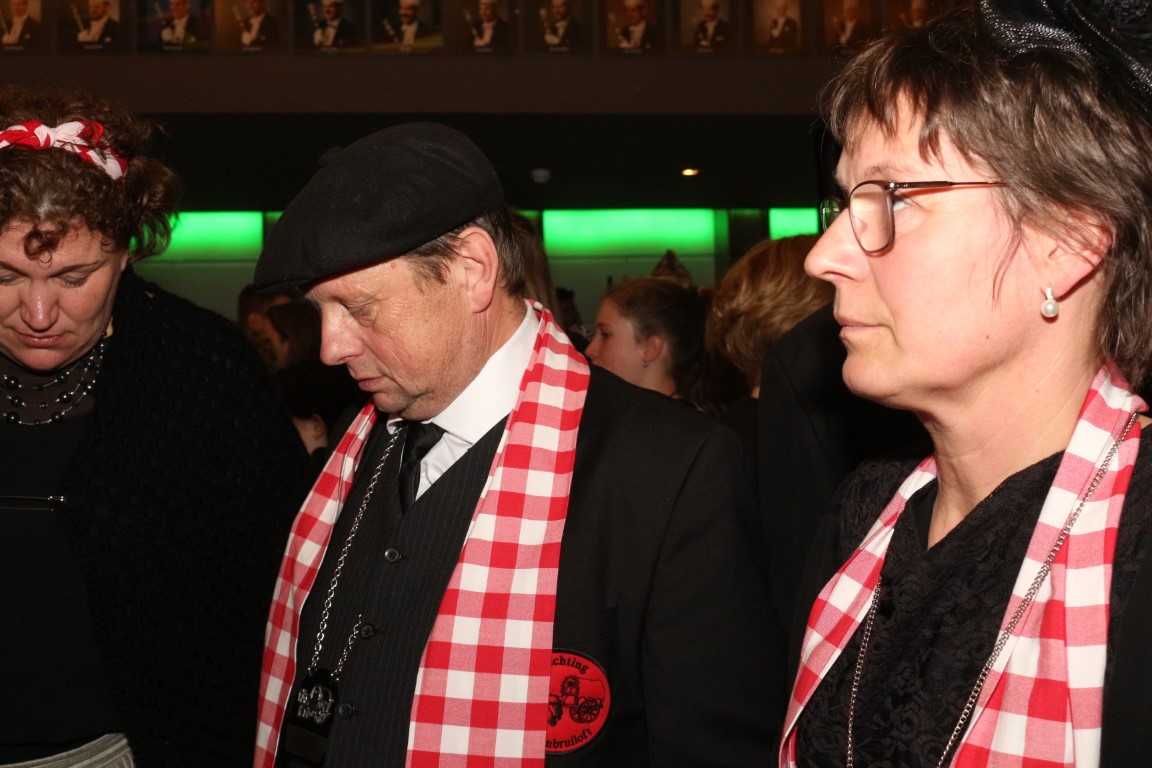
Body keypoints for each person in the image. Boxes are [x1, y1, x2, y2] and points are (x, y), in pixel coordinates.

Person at [251, 122, 777, 768]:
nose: (332, 347)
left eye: (358, 308)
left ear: (473, 270)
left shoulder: (673, 471)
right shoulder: (353, 441)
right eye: (320, 312)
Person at [781, 3, 1152, 766]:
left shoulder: (1139, 546)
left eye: (893, 197)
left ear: (1067, 241)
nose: (823, 256)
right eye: (845, 202)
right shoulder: (865, 514)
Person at [0, 87, 311, 766]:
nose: (40, 313)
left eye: (74, 277)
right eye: (6, 276)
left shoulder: (203, 370)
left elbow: (278, 589)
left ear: (125, 254)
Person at [584, 276, 708, 410]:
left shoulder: (675, 421)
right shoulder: (631, 415)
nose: (590, 350)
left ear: (650, 348)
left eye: (605, 335)